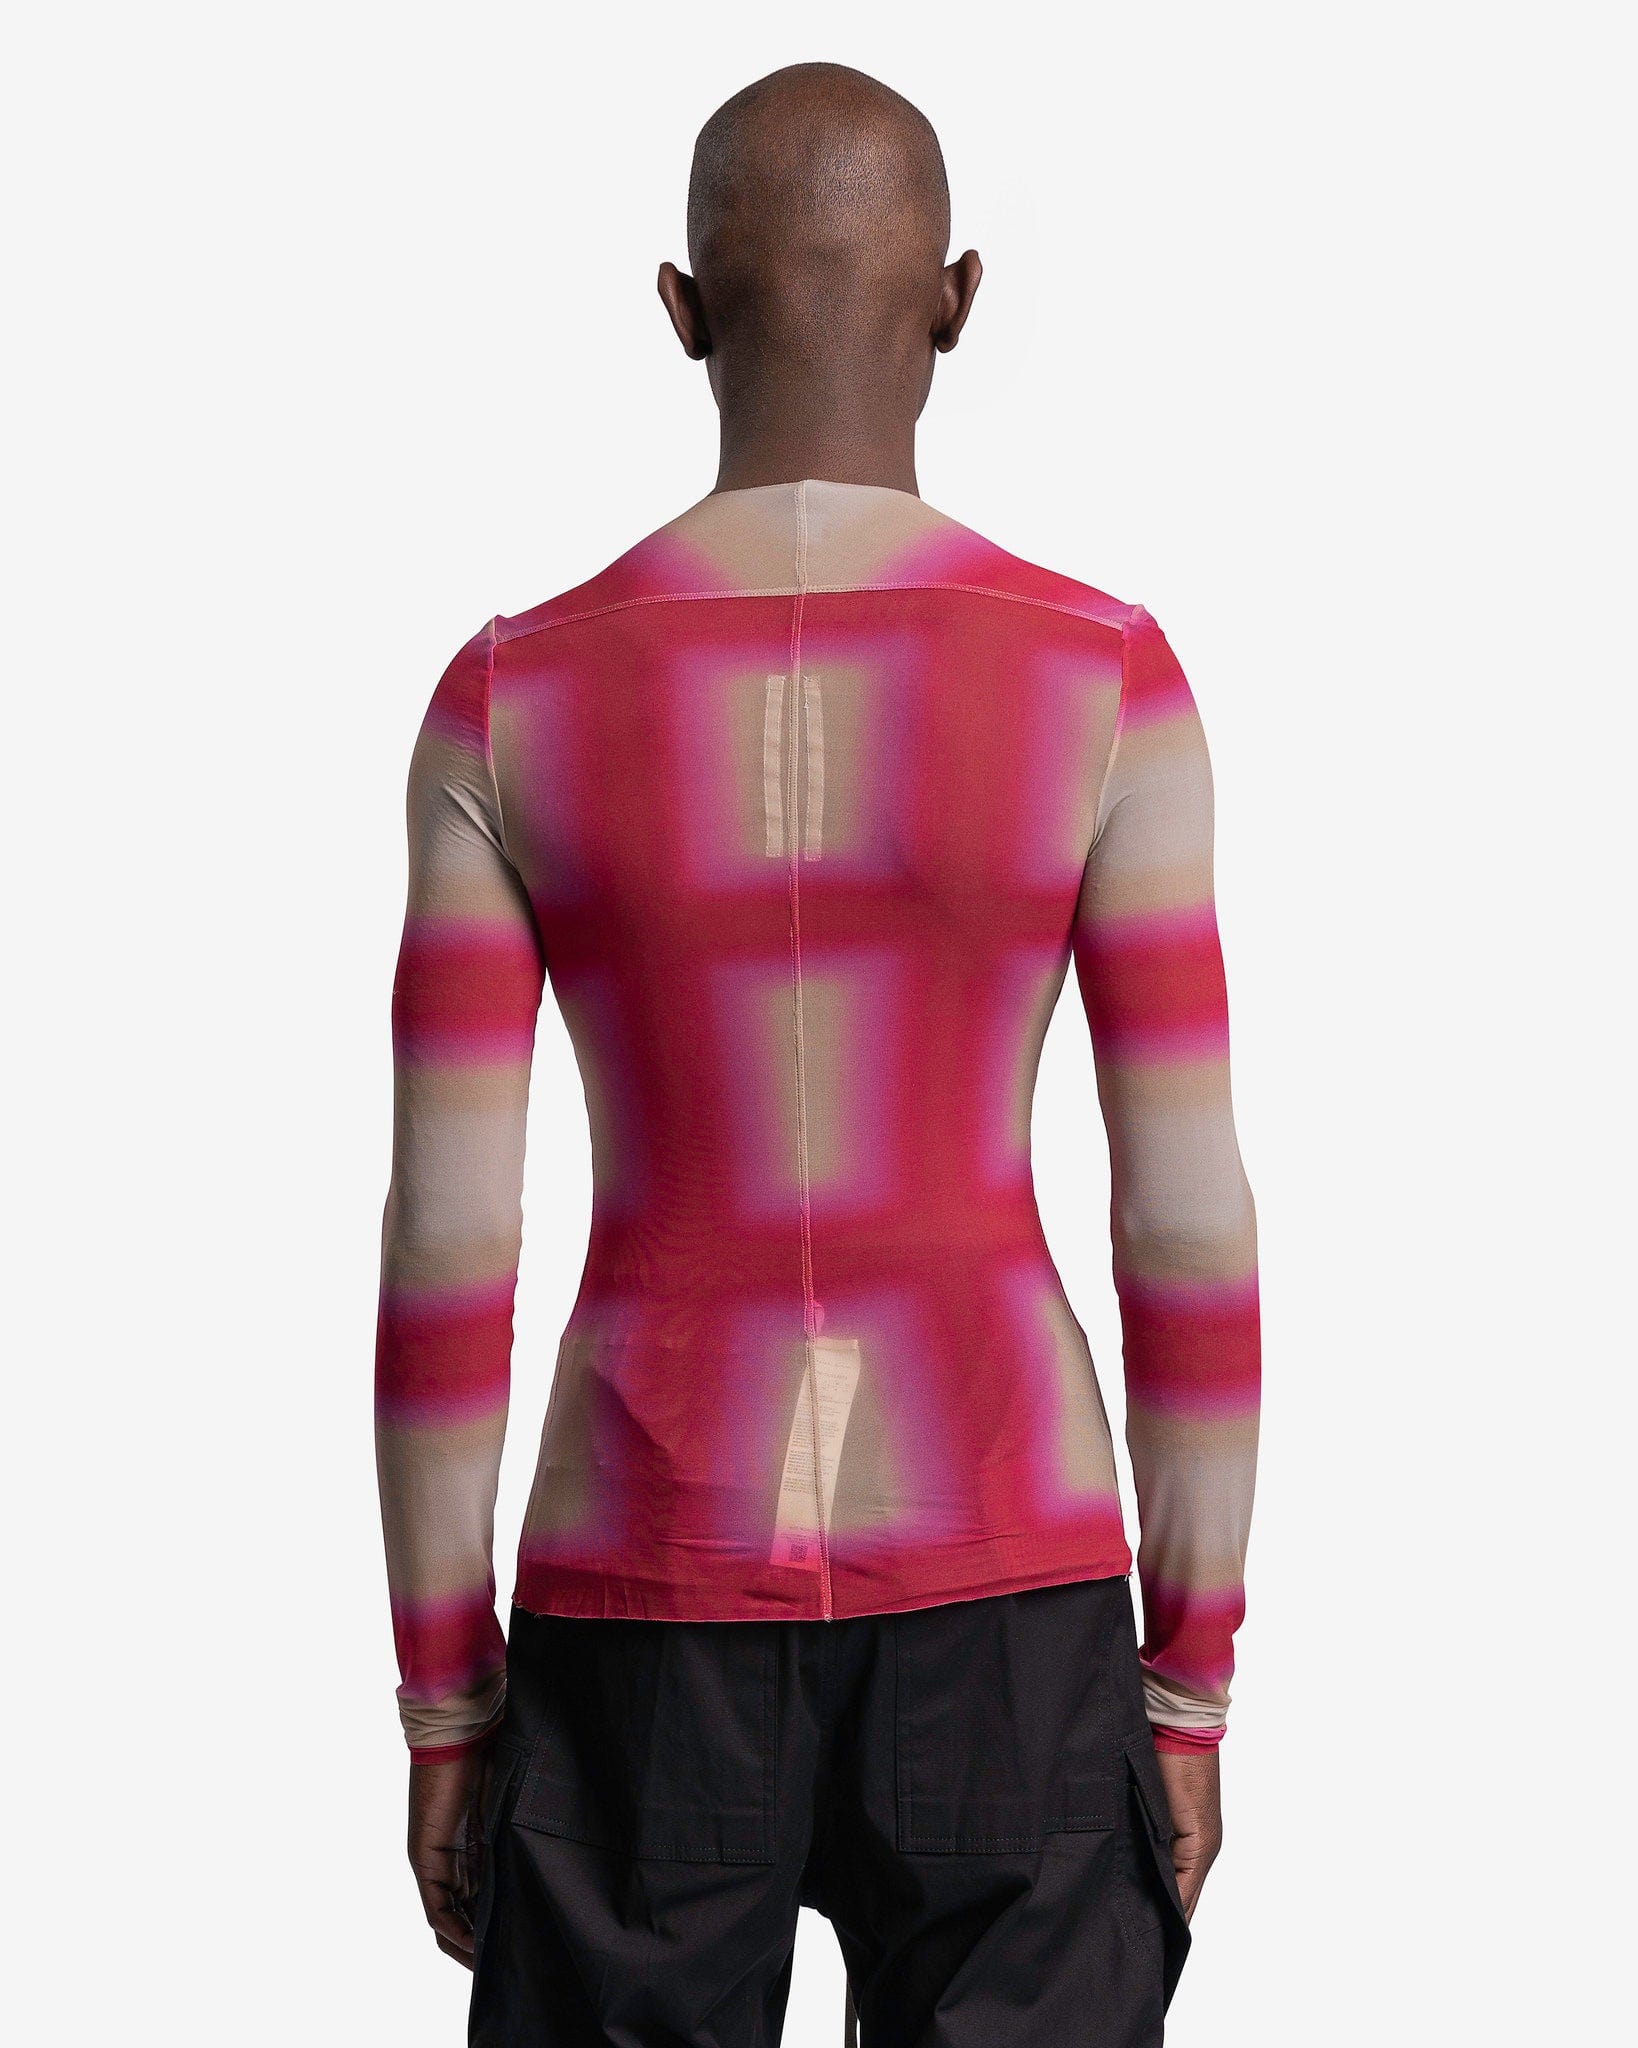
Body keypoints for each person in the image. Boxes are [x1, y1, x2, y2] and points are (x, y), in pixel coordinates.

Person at [375, 60, 1259, 2047]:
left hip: (641, 1594)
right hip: (1009, 1589)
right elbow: (1188, 1225)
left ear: (682, 311)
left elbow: (446, 1243)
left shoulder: (508, 698)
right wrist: (1188, 1674)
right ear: (956, 300)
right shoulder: (1103, 679)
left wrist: (445, 1696)